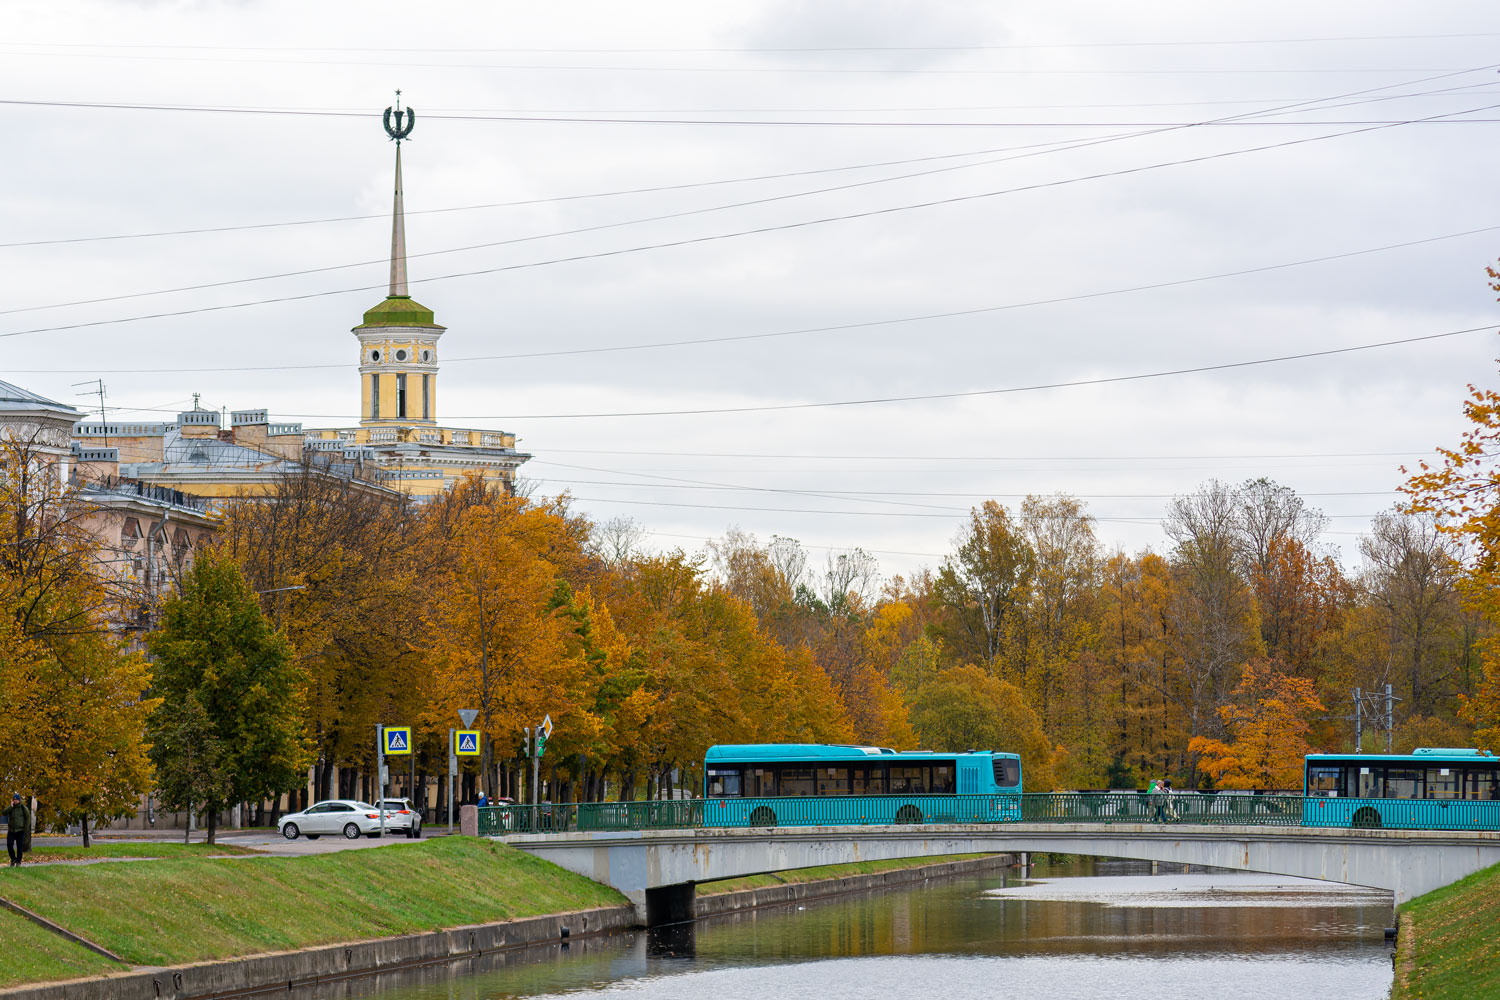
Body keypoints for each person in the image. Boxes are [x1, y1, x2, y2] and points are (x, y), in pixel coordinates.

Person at [5, 794, 30, 867]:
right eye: (14, 799)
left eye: (16, 799)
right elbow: (4, 812)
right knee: (9, 844)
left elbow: (27, 818)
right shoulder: (11, 808)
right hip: (11, 830)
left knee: (20, 847)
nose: (15, 801)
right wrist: (10, 806)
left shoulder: (23, 808)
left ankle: (18, 861)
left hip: (20, 830)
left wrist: (25, 828)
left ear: (19, 800)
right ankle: (13, 859)